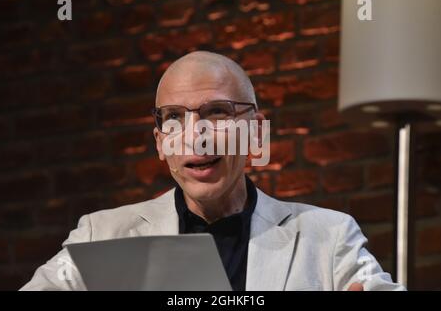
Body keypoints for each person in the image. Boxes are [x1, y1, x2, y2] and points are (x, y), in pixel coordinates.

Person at [21, 51, 405, 291]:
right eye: (174, 118)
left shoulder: (329, 236)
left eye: (216, 112)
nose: (195, 135)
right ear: (159, 142)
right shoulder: (99, 236)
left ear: (255, 130)